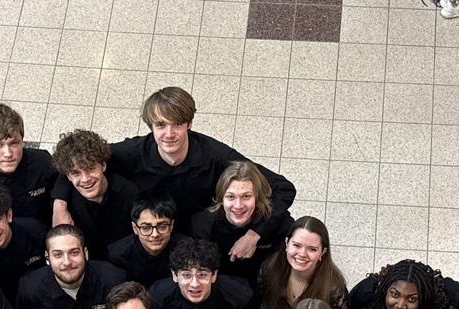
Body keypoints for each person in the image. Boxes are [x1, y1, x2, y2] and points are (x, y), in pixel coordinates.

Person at [52, 87, 296, 241]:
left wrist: (255, 234)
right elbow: (78, 162)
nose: (169, 133)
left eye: (177, 124)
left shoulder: (216, 154)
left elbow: (284, 188)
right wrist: (59, 206)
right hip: (151, 234)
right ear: (151, 127)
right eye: (160, 125)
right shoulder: (132, 152)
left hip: (200, 234)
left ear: (189, 124)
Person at [15, 225, 127, 309]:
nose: (67, 262)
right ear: (47, 258)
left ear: (85, 253)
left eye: (74, 253)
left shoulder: (114, 281)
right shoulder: (30, 289)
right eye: (58, 255)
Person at [190, 160, 294, 286]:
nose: (238, 206)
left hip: (266, 285)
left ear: (257, 197)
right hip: (222, 288)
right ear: (221, 199)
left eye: (246, 196)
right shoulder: (203, 225)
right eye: (230, 197)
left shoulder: (277, 221)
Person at [257, 216, 350, 309]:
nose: (302, 254)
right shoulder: (269, 270)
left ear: (322, 253)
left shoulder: (335, 292)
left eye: (312, 249)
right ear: (287, 243)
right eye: (296, 245)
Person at [50, 129, 138, 259]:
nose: (85, 179)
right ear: (67, 176)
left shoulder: (128, 194)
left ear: (103, 165)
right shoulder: (65, 200)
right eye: (76, 173)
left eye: (90, 169)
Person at [150, 237, 254, 309]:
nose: (194, 284)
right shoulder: (158, 299)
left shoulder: (239, 297)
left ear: (214, 275)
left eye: (202, 275)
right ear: (175, 276)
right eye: (187, 275)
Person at [106, 194, 192, 287]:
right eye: (146, 227)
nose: (155, 234)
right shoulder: (117, 256)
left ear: (171, 226)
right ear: (135, 228)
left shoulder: (188, 249)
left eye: (162, 226)